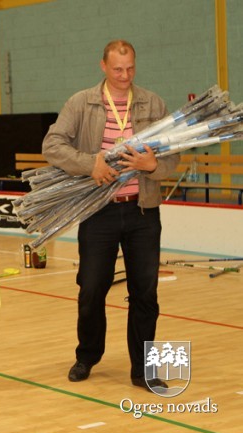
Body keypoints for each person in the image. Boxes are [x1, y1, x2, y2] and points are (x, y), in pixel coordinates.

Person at [41, 40, 179, 391]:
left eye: (130, 68)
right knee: (91, 289)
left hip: (142, 212)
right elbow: (52, 145)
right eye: (117, 69)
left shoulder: (153, 103)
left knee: (145, 293)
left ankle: (143, 370)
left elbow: (174, 156)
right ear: (103, 66)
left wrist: (153, 166)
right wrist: (90, 164)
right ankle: (87, 355)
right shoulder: (81, 102)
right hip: (98, 211)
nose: (124, 75)